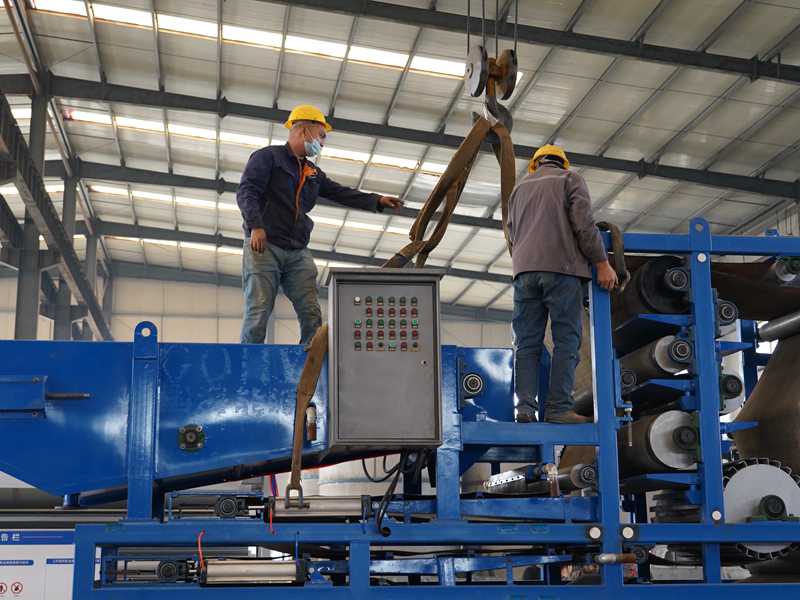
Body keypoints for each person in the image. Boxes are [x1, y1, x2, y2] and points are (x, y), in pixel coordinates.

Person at [237, 104, 403, 346]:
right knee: (259, 309)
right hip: (265, 245)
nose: (322, 143)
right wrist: (256, 226)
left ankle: (309, 361)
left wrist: (376, 200)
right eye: (321, 135)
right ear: (303, 130)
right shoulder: (268, 157)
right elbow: (247, 191)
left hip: (297, 251)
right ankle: (247, 363)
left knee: (311, 311)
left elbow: (339, 192)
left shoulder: (312, 172)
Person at [507, 144, 618, 424]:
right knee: (566, 341)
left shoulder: (519, 189)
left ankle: (525, 408)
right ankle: (558, 408)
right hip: (561, 269)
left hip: (524, 274)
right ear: (562, 163)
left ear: (535, 164)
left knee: (526, 343)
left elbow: (511, 232)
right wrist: (602, 263)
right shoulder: (570, 179)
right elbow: (584, 225)